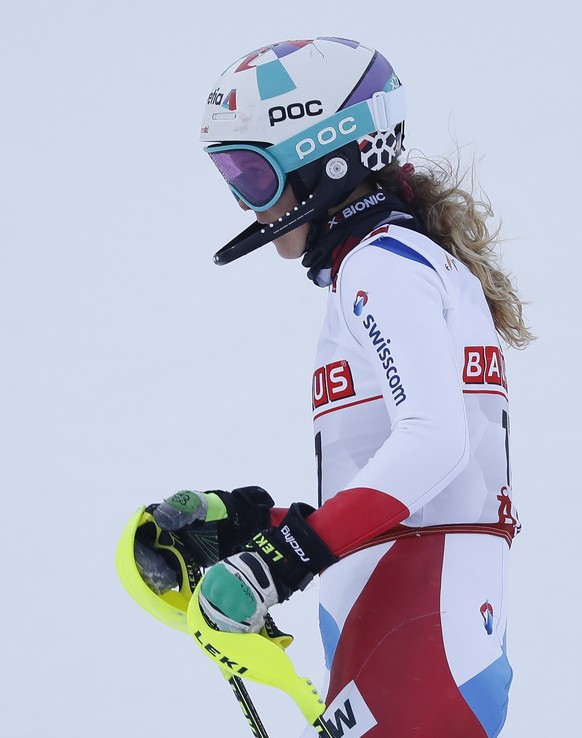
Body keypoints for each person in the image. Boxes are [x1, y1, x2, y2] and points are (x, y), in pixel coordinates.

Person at [118, 37, 533, 737]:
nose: (248, 204)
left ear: (328, 161)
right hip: (407, 624)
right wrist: (268, 526)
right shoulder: (391, 264)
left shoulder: (381, 267)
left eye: (253, 175)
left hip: (416, 627)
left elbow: (435, 444)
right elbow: (417, 497)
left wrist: (279, 564)